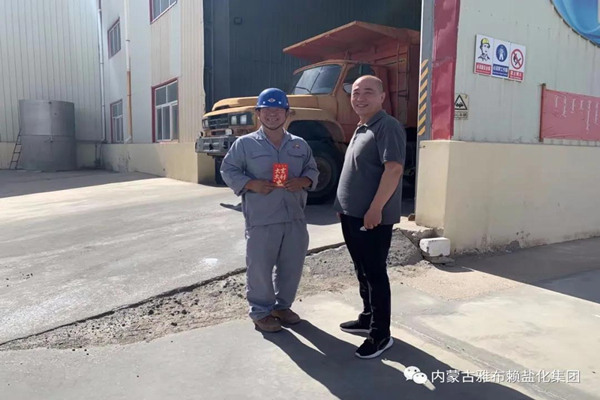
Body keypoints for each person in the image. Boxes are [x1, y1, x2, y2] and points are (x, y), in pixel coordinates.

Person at [220, 88, 319, 333]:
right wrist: (251, 184)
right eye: (267, 110)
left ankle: (282, 307)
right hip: (262, 218)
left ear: (287, 112)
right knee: (260, 268)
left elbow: (312, 169)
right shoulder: (245, 144)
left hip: (294, 216)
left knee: (292, 265)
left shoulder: (299, 144)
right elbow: (228, 170)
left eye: (278, 110)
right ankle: (261, 312)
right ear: (258, 113)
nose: (272, 114)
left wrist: (304, 181)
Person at [334, 75, 406, 359]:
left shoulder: (387, 126)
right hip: (352, 215)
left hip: (371, 218)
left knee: (375, 274)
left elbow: (394, 169)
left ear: (382, 97)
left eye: (368, 92)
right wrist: (344, 204)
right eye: (355, 93)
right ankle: (367, 318)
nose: (360, 97)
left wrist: (375, 208)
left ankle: (380, 334)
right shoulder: (363, 126)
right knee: (361, 270)